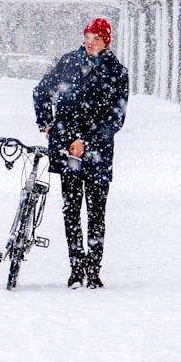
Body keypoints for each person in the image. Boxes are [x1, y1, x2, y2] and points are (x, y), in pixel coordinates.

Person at [33, 18, 129, 289]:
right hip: (67, 151)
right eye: (88, 36)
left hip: (98, 153)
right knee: (71, 211)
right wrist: (47, 123)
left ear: (106, 41)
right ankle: (76, 267)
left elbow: (116, 118)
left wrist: (87, 141)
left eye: (96, 38)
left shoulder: (117, 72)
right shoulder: (67, 63)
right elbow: (41, 91)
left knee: (96, 213)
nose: (90, 42)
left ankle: (94, 269)